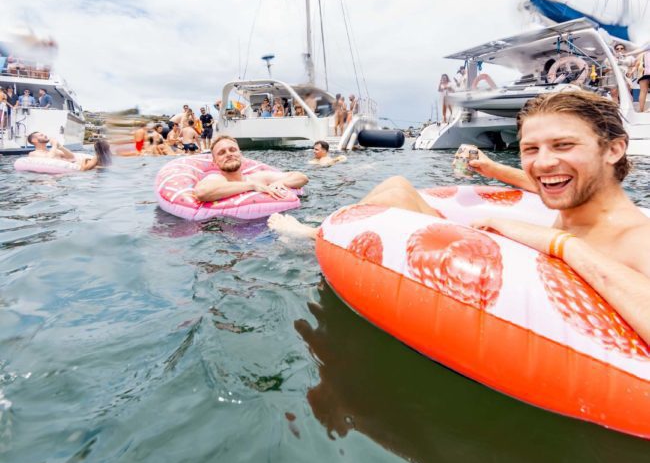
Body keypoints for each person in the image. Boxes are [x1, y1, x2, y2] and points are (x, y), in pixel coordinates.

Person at [269, 90, 650, 345]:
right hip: (516, 259)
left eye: (564, 145)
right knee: (398, 187)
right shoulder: (574, 204)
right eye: (531, 149)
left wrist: (559, 244)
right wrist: (493, 169)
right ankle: (323, 234)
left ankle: (317, 238)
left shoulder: (636, 237)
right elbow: (546, 183)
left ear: (614, 149)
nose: (544, 161)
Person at [193, 135, 309, 202]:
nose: (229, 154)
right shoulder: (216, 179)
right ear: (215, 162)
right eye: (222, 153)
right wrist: (252, 186)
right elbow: (203, 193)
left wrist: (280, 182)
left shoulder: (259, 177)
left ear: (241, 155)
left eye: (232, 150)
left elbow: (301, 177)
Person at [26, 132, 111, 170]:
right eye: (41, 135)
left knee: (100, 161)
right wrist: (54, 145)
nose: (44, 135)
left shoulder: (55, 151)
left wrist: (60, 146)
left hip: (69, 173)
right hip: (51, 178)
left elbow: (71, 157)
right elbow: (48, 159)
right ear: (34, 140)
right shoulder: (33, 154)